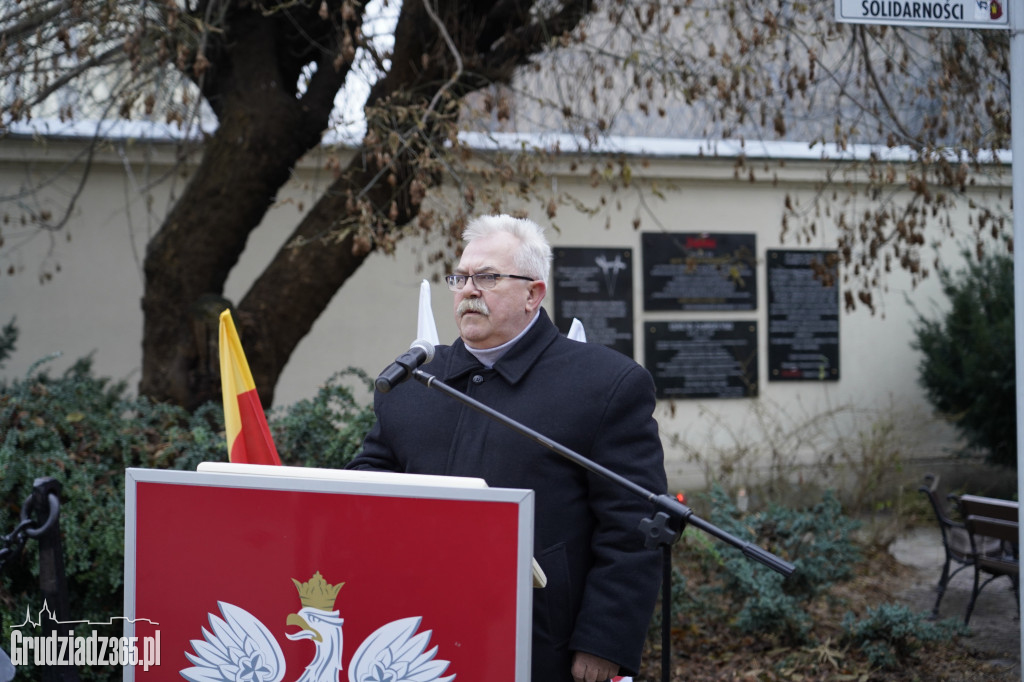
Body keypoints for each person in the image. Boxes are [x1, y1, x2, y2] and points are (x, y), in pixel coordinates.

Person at [348, 214, 667, 682]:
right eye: (460, 278)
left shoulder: (605, 384)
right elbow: (367, 486)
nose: (468, 290)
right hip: (415, 631)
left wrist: (603, 641)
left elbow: (632, 526)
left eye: (488, 277)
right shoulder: (413, 382)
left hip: (539, 640)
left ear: (533, 294)